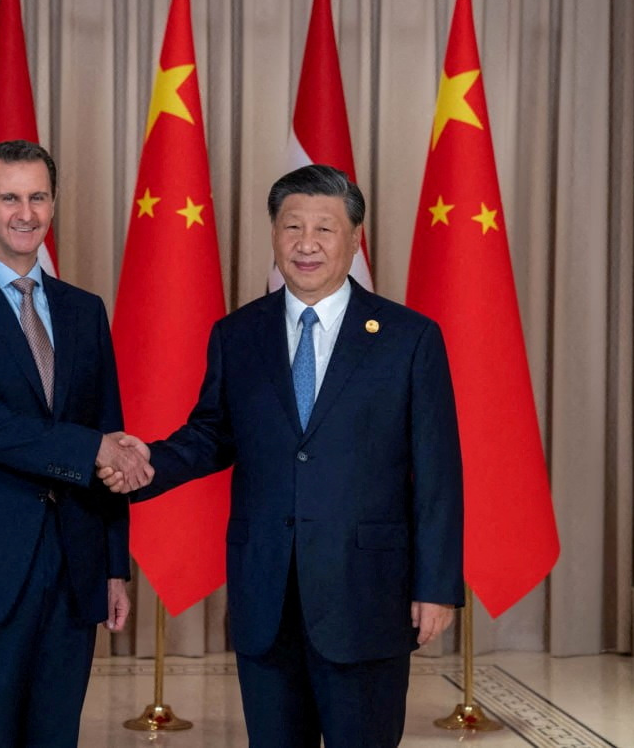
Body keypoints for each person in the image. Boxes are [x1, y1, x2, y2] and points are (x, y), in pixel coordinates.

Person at [105, 164, 465, 748]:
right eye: (291, 226)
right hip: (265, 592)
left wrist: (438, 584)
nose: (306, 243)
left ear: (355, 238)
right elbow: (212, 435)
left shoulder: (408, 337)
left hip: (366, 592)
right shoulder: (237, 334)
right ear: (273, 235)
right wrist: (144, 463)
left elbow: (438, 472)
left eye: (325, 229)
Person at [0, 140, 152, 747]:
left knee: (55, 733)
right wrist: (93, 447)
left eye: (37, 196)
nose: (25, 212)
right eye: (9, 197)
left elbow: (109, 431)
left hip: (73, 561)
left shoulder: (84, 310)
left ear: (53, 203)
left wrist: (113, 566)